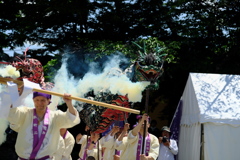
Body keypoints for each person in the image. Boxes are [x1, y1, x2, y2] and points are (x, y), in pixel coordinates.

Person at [7, 91, 80, 160]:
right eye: (37, 100)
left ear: (48, 101)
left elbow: (71, 118)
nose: (39, 103)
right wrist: (18, 95)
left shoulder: (55, 116)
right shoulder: (26, 113)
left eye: (43, 100)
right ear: (33, 100)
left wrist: (69, 103)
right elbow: (12, 113)